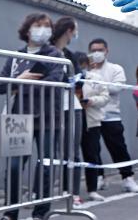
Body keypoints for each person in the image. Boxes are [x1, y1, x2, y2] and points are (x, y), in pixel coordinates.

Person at [0, 13, 68, 220]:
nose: (43, 29)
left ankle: (40, 213)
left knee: (45, 165)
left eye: (47, 26)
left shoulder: (55, 54)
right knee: (14, 167)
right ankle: (10, 213)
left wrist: (18, 85)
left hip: (48, 118)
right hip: (18, 117)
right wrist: (18, 79)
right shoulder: (15, 57)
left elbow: (54, 81)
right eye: (38, 25)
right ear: (27, 30)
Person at [83, 38, 138, 194]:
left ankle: (127, 177)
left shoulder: (116, 69)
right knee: (92, 149)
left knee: (118, 147)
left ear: (106, 51)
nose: (96, 53)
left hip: (111, 114)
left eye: (100, 50)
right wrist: (100, 87)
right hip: (91, 115)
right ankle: (99, 177)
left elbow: (117, 88)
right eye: (93, 50)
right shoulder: (86, 71)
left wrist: (97, 85)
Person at [50, 17, 83, 204]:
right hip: (49, 106)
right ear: (69, 30)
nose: (75, 34)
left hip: (71, 107)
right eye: (75, 30)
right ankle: (42, 193)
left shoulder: (71, 55)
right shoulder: (47, 51)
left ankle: (72, 192)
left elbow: (78, 81)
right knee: (49, 152)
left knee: (72, 152)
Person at [79, 51, 111, 202]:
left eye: (82, 64)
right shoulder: (68, 78)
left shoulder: (96, 78)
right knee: (70, 157)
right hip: (72, 120)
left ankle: (92, 189)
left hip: (92, 120)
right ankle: (69, 190)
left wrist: (92, 101)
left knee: (91, 154)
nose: (81, 67)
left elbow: (105, 97)